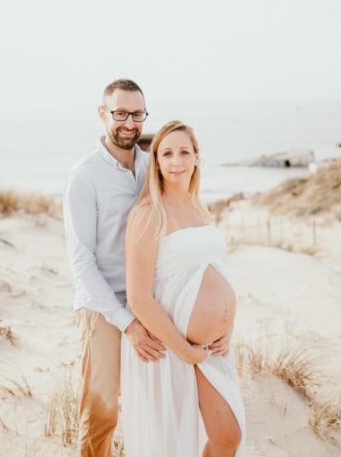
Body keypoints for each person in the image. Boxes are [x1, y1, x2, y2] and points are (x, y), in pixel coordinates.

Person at [121, 120, 246, 457]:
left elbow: (211, 269)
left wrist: (227, 325)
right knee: (172, 445)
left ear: (196, 158)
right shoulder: (148, 214)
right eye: (167, 154)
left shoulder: (198, 207)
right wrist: (185, 350)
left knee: (228, 436)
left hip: (212, 348)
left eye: (184, 152)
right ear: (156, 163)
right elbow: (139, 297)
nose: (177, 161)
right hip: (169, 346)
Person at [63, 79, 167, 457]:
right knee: (102, 408)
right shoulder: (84, 175)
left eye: (137, 114)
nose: (129, 123)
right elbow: (81, 260)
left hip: (151, 300)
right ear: (103, 114)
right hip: (102, 305)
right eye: (120, 113)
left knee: (155, 405)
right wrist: (127, 323)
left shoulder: (152, 166)